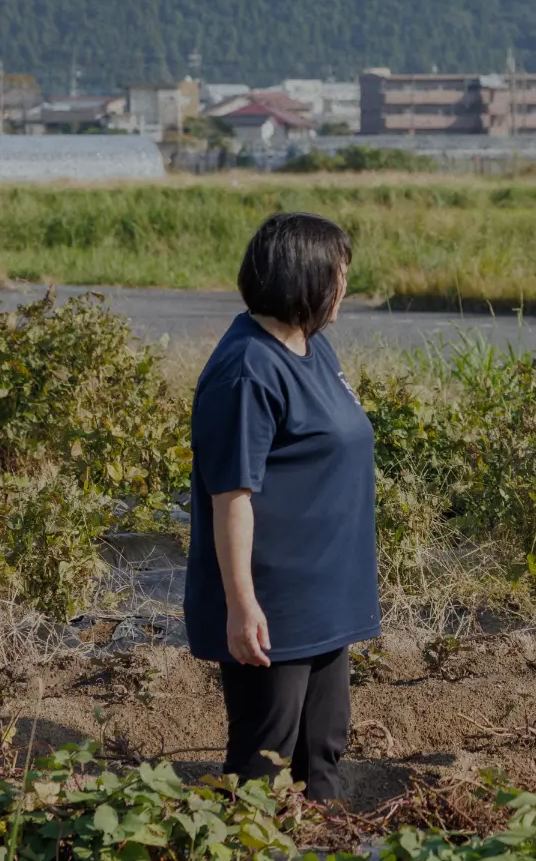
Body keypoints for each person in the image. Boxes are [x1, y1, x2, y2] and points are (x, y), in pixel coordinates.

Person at [185, 211, 379, 801]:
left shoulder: (312, 346)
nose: (344, 286)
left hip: (326, 592)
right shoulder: (246, 369)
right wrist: (243, 605)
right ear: (305, 277)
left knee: (323, 754)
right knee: (263, 757)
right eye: (338, 274)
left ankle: (326, 840)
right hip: (276, 601)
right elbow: (232, 498)